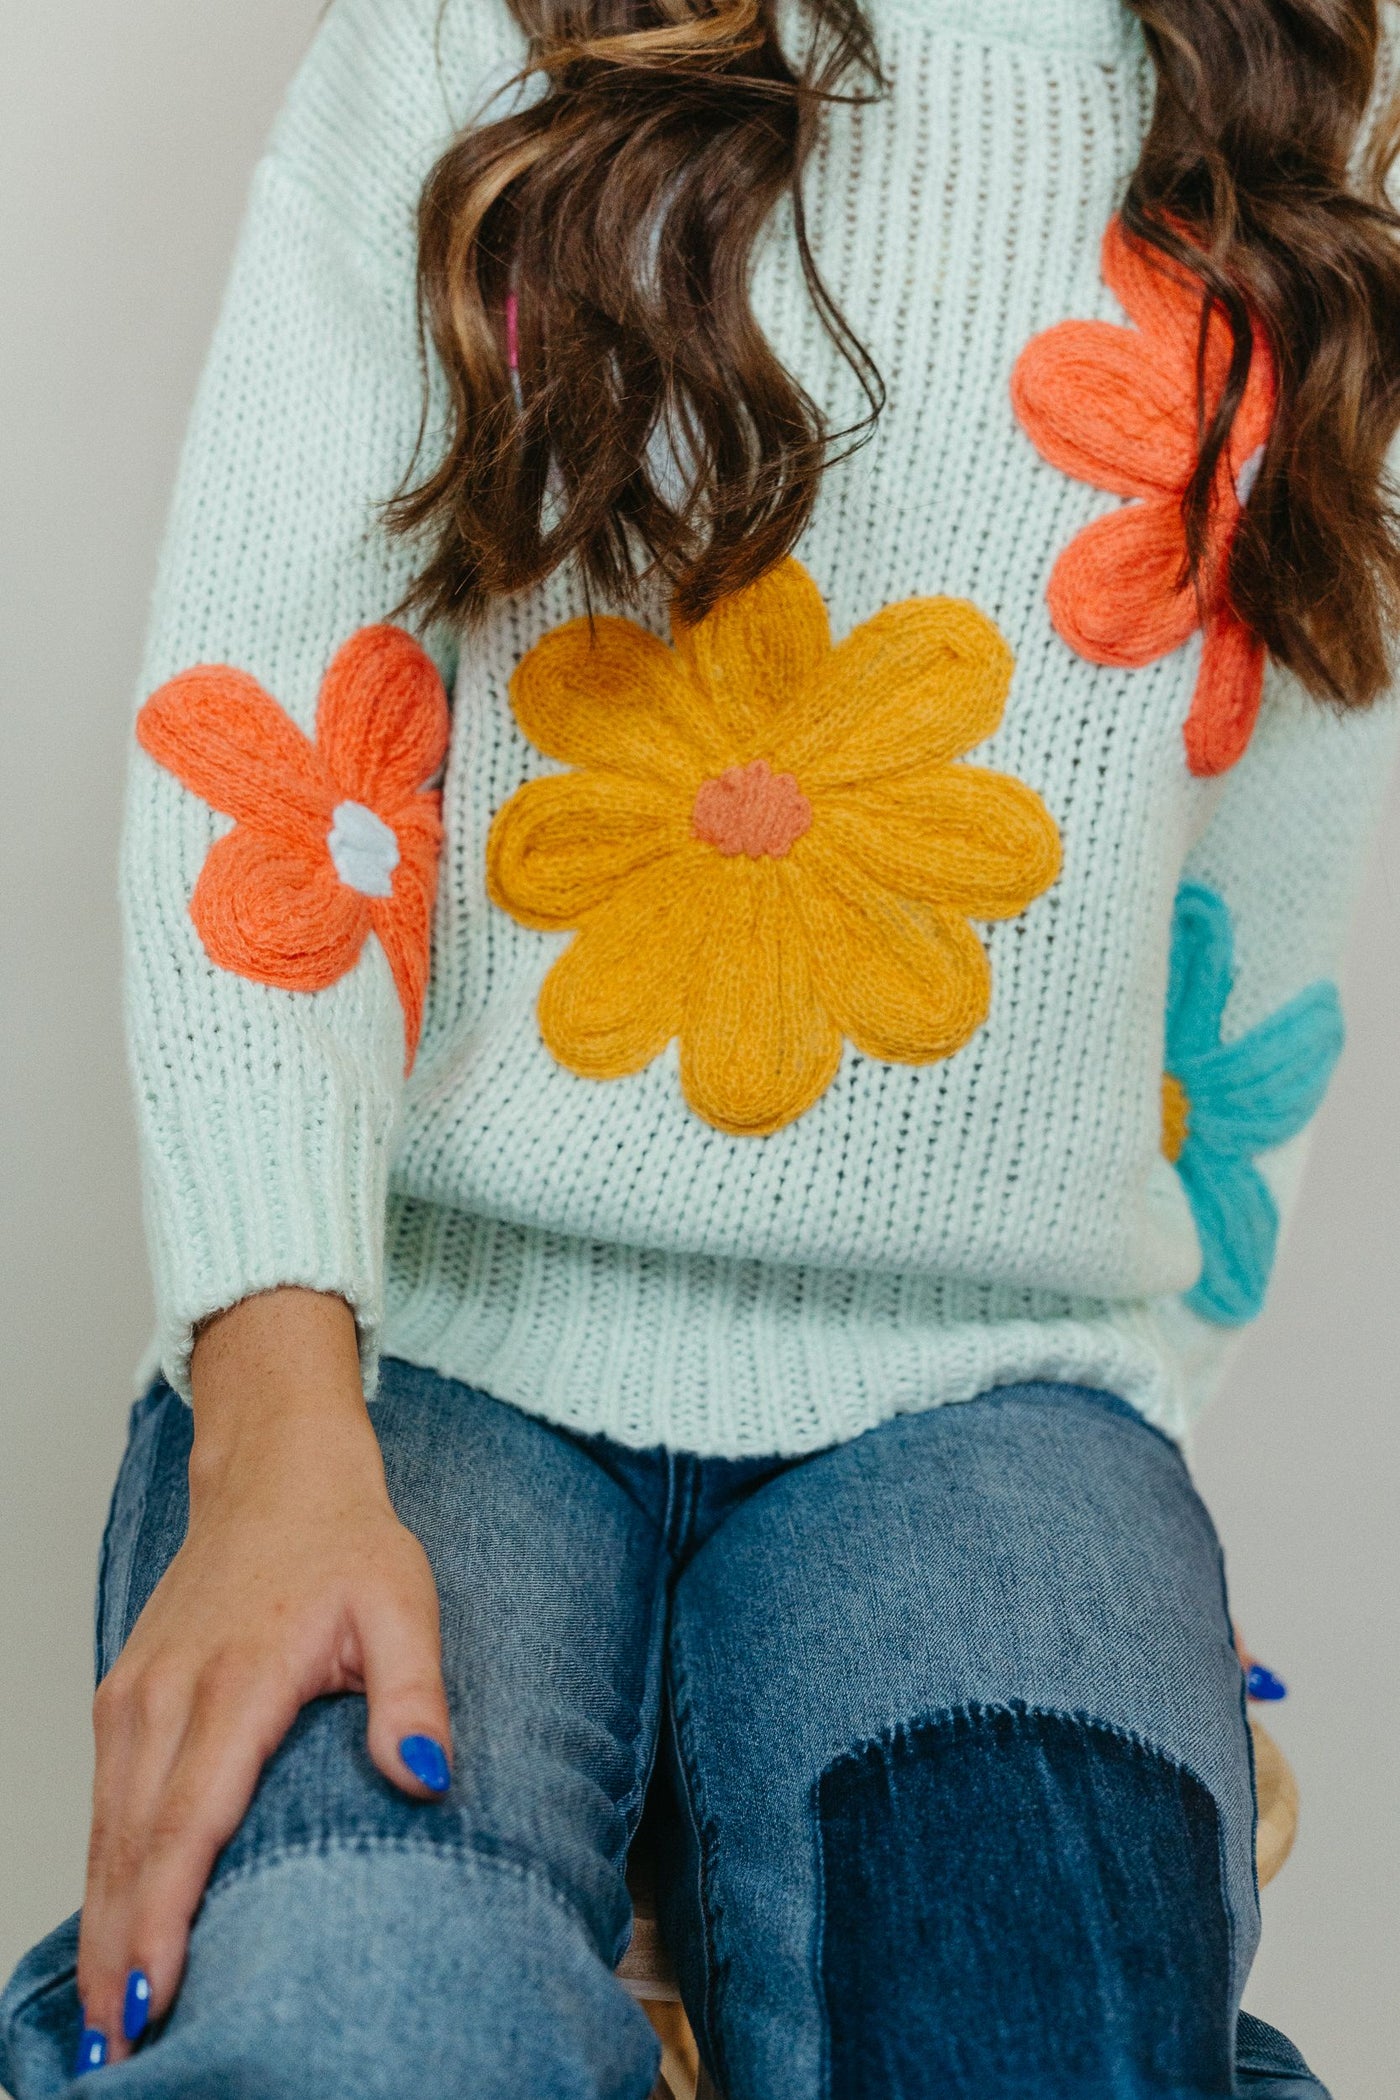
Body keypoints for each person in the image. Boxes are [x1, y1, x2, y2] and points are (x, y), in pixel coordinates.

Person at [4, 0, 1399, 2092]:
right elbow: (281, 768)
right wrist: (276, 1424)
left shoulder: (1285, 135)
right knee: (366, 2034)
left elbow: (1240, 978)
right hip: (411, 1358)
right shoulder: (471, 36)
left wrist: (1119, 1466)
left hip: (982, 1394)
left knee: (1047, 2020)